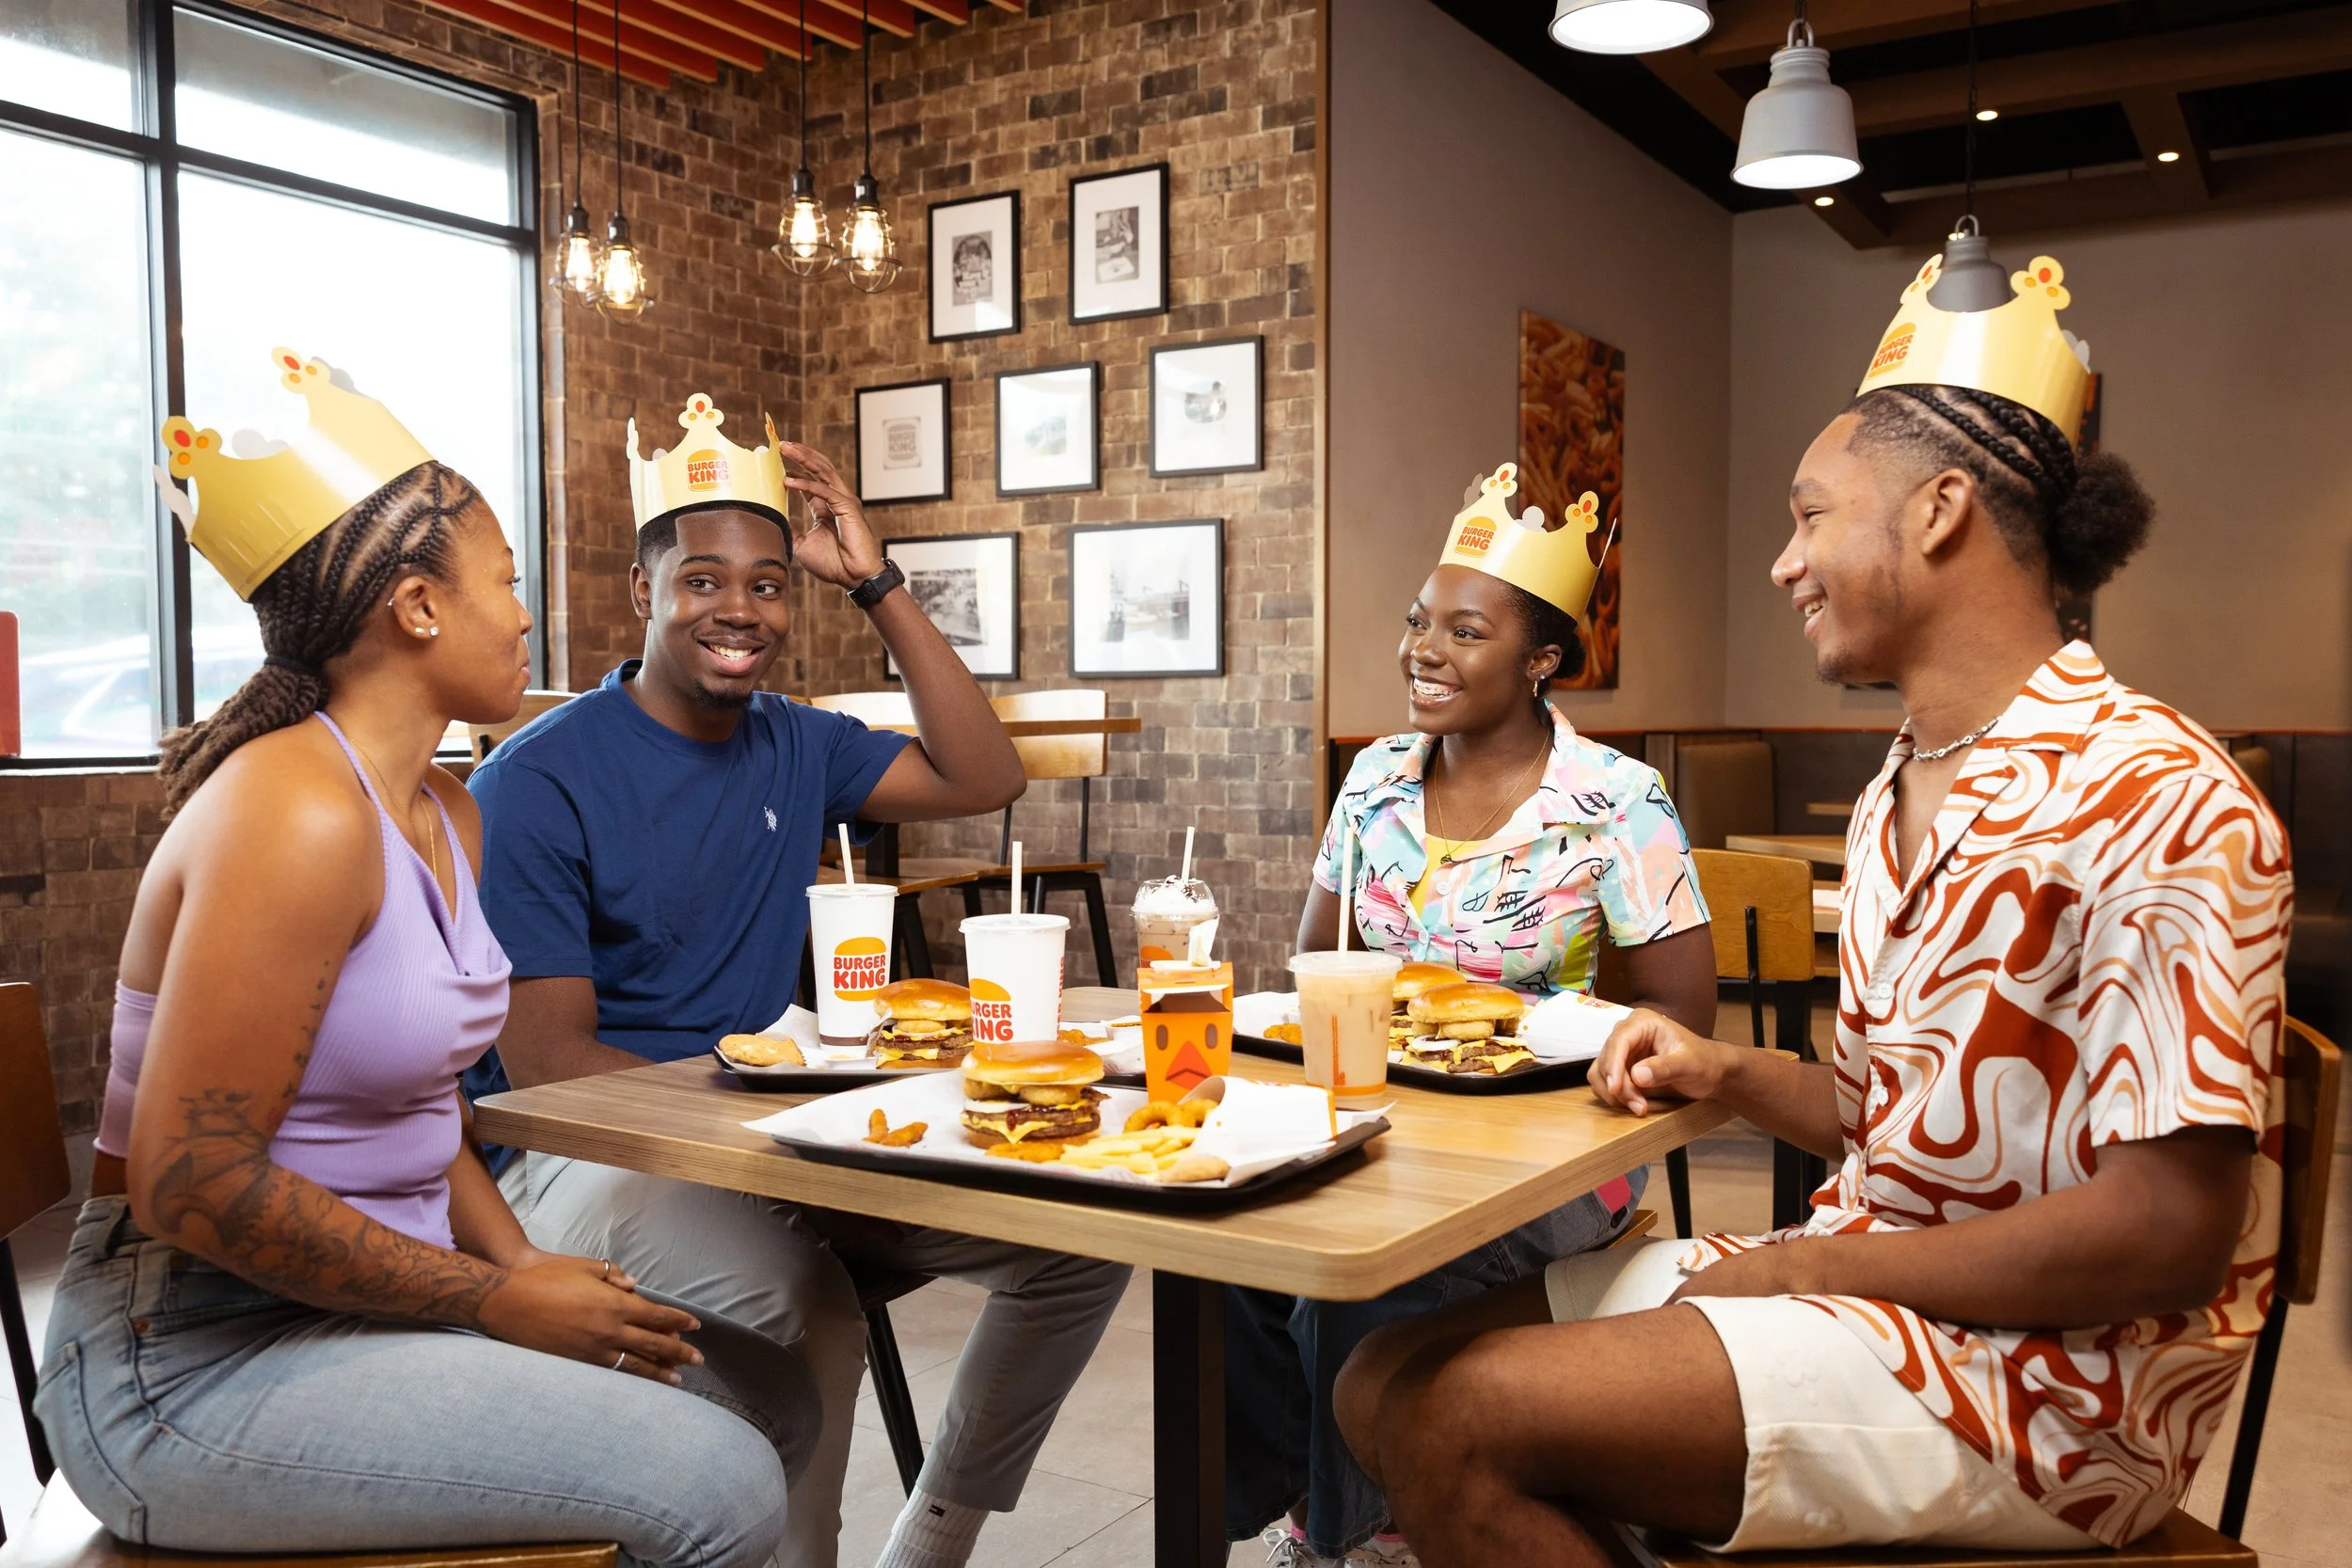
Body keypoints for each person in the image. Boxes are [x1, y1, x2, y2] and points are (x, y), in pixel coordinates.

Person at [1332, 245, 2292, 1568]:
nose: (1785, 562)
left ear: (1941, 510)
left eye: (1810, 515)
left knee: (1459, 1417)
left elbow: (2168, 1232)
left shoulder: (2162, 792)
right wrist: (1724, 1066)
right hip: (1871, 1287)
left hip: (2053, 1395)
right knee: (1377, 1369)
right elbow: (1888, 1113)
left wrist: (1808, 1268)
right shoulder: (1903, 784)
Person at [37, 350, 814, 1568]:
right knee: (716, 1480)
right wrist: (492, 1298)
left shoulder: (446, 807)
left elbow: (420, 1096)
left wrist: (518, 1256)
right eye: (505, 582)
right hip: (187, 1355)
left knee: (758, 1394)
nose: (524, 612)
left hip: (363, 1298)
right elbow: (188, 1182)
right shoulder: (296, 813)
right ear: (416, 606)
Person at [464, 395, 1131, 1568]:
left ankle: (933, 1536)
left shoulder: (797, 738)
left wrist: (875, 583)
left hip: (772, 1128)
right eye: (703, 579)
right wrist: (780, 1124)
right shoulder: (539, 778)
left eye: (769, 583)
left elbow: (986, 775)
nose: (740, 609)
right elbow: (552, 1070)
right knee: (808, 1305)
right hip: (587, 1157)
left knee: (1079, 1243)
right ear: (642, 591)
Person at [1229, 465, 1719, 1568]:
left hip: (1556, 1146)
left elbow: (1684, 1015)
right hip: (1377, 1120)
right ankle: (1296, 1491)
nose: (1421, 649)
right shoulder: (1372, 783)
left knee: (1360, 1270)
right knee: (1225, 1251)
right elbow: (1314, 963)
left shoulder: (1615, 799)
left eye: (1463, 629)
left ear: (1540, 659)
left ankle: (1340, 1533)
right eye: (1415, 623)